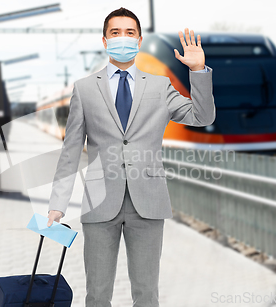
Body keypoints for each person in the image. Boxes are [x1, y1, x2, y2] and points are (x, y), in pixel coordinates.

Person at [46, 7, 215, 307]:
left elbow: (202, 117)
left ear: (138, 40)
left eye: (129, 33)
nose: (122, 38)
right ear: (104, 40)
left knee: (147, 294)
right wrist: (57, 204)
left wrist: (198, 72)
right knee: (97, 295)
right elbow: (70, 149)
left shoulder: (160, 86)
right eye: (115, 33)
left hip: (148, 202)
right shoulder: (84, 89)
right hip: (99, 204)